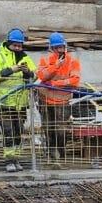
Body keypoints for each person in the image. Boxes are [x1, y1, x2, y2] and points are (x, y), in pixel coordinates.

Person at [0, 28, 36, 172]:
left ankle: (16, 158)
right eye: (15, 45)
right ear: (9, 43)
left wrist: (28, 73)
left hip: (20, 103)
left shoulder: (26, 58)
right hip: (3, 103)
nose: (17, 48)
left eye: (20, 45)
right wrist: (11, 70)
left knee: (18, 131)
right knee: (8, 130)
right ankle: (9, 159)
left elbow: (35, 77)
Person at [35, 33, 81, 162]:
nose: (60, 50)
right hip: (45, 100)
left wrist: (54, 84)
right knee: (49, 129)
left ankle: (60, 155)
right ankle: (52, 155)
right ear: (51, 48)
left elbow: (75, 80)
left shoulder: (72, 62)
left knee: (61, 130)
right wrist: (56, 66)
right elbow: (43, 76)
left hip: (62, 101)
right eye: (57, 48)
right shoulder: (45, 60)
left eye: (62, 47)